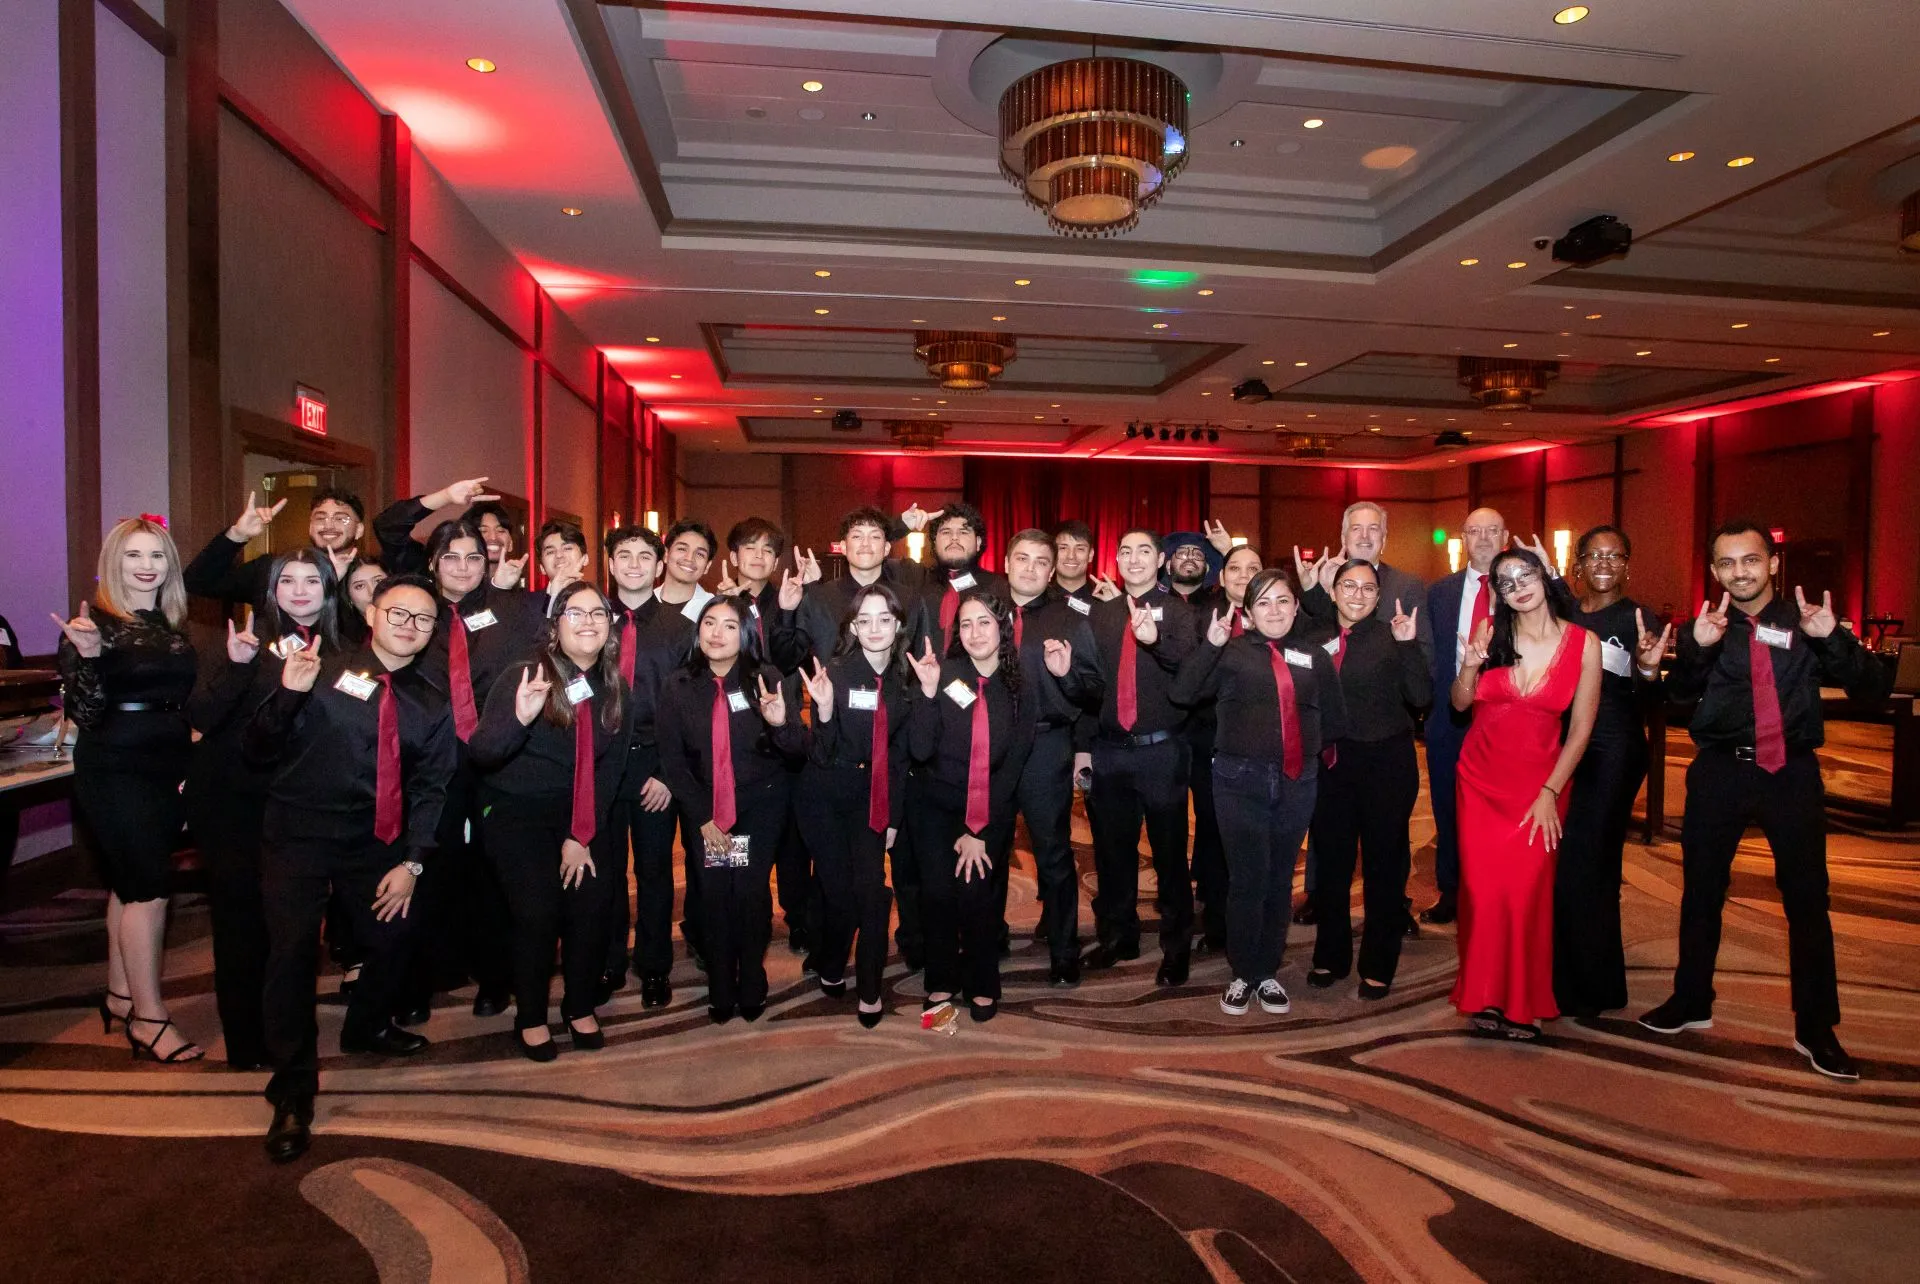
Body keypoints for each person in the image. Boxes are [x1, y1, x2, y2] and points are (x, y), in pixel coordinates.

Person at [1639, 521, 1887, 1080]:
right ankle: (1691, 1000)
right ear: (1714, 571)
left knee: (1807, 900)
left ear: (1772, 563)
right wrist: (1696, 653)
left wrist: (1833, 639)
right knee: (1701, 891)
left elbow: (1871, 689)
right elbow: (1672, 701)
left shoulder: (1807, 623)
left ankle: (1816, 1027)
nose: (1739, 572)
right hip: (1720, 772)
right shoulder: (1706, 627)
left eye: (1749, 560)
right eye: (1726, 564)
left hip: (1790, 773)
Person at [244, 574, 457, 1163]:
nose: (409, 626)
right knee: (290, 955)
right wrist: (287, 693)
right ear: (371, 615)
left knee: (395, 934)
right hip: (299, 832)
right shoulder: (320, 668)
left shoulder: (432, 702)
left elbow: (432, 788)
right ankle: (292, 1090)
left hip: (375, 838)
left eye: (423, 619)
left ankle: (366, 1025)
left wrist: (412, 862)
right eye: (398, 613)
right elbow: (256, 749)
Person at [53, 516, 202, 1064]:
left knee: (127, 881)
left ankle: (120, 995)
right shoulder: (92, 626)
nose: (146, 566)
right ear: (113, 564)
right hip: (115, 767)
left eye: (157, 556)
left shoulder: (167, 627)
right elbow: (87, 713)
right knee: (148, 888)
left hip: (165, 763)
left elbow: (177, 702)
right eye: (134, 556)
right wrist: (88, 655)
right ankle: (149, 1018)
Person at [184, 549, 341, 1069]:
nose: (299, 591)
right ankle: (245, 1041)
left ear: (328, 589)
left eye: (311, 581)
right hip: (232, 802)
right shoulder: (248, 642)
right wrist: (235, 666)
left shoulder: (344, 648)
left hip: (295, 803)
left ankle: (281, 1030)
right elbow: (203, 714)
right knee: (240, 922)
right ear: (271, 589)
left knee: (289, 927)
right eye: (287, 581)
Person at [1172, 568, 1345, 1017]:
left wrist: (1303, 755)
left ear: (1296, 606)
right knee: (1246, 879)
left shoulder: (1313, 655)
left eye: (1283, 600)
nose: (1275, 610)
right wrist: (1210, 644)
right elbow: (1184, 692)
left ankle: (1266, 970)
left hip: (1296, 781)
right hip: (1238, 781)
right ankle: (1242, 971)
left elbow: (1335, 719)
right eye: (1263, 602)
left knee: (1278, 878)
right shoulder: (1228, 652)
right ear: (1247, 613)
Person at [469, 582, 630, 1061]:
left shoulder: (616, 686)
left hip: (583, 813)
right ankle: (532, 1015)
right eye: (574, 612)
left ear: (610, 627)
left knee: (590, 911)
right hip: (520, 812)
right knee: (537, 916)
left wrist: (581, 834)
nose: (587, 621)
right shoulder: (524, 674)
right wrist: (518, 719)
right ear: (555, 625)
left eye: (597, 613)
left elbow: (611, 768)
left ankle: (579, 1006)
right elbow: (482, 752)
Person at [1449, 548, 1601, 1040]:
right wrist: (1470, 666)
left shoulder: (1585, 643)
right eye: (1506, 581)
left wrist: (1550, 791)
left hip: (1541, 785)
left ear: (1544, 576)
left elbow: (1580, 730)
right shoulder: (1491, 636)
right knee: (1483, 893)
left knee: (1526, 894)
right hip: (1479, 780)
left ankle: (1523, 1004)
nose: (1518, 586)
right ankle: (1485, 999)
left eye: (1525, 574)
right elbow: (1459, 702)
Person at [403, 518, 546, 1023]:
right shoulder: (416, 612)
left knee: (494, 872)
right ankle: (420, 979)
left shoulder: (513, 610)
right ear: (432, 563)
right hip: (431, 759)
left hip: (496, 754)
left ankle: (494, 978)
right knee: (430, 870)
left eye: (473, 558)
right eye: (450, 558)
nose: (462, 568)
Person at [656, 597, 805, 1023]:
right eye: (709, 623)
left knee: (750, 892)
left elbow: (795, 749)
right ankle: (721, 981)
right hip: (708, 809)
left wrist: (779, 723)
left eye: (728, 625)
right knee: (717, 894)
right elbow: (673, 759)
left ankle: (752, 977)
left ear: (744, 634)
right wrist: (703, 816)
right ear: (698, 631)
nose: (717, 633)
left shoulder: (766, 677)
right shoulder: (679, 684)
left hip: (760, 805)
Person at [905, 591, 1052, 1020]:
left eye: (984, 622)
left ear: (1002, 627)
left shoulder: (1022, 683)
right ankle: (940, 980)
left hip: (990, 809)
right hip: (934, 806)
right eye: (966, 624)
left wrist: (978, 830)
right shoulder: (942, 674)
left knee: (978, 896)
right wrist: (929, 695)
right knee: (937, 896)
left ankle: (983, 980)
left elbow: (1014, 762)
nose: (975, 632)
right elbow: (919, 749)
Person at [1303, 561, 1429, 999]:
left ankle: (1379, 962)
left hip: (1385, 764)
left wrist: (1410, 646)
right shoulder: (1312, 637)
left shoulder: (1393, 636)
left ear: (1378, 596)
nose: (1357, 594)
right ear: (1333, 591)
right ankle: (1331, 955)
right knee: (1332, 868)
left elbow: (1421, 697)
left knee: (1383, 868)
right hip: (1330, 765)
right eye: (1348, 586)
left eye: (1367, 588)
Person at [1557, 526, 1669, 1017]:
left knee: (1590, 865)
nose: (1604, 562)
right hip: (1563, 750)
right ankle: (1574, 975)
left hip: (1613, 750)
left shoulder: (1638, 618)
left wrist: (1647, 670)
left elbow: (1654, 700)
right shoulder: (1565, 613)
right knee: (1568, 864)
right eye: (1594, 554)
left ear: (1628, 564)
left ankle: (1594, 988)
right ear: (1578, 564)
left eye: (1615, 555)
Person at [794, 585, 913, 1026]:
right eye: (865, 620)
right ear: (853, 628)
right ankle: (829, 962)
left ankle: (869, 988)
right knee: (840, 895)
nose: (876, 628)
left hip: (873, 798)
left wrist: (894, 818)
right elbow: (820, 754)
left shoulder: (906, 679)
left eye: (885, 619)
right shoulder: (838, 673)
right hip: (824, 797)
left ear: (898, 624)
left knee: (873, 893)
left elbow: (901, 757)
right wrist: (823, 712)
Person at [1083, 529, 1198, 983]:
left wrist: (1155, 641)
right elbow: (1090, 686)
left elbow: (1190, 672)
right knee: (1112, 855)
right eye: (1125, 552)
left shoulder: (1178, 612)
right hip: (1109, 751)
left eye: (1143, 551)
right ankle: (1119, 937)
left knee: (1169, 857)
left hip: (1162, 752)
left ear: (1161, 559)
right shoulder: (1101, 613)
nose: (1133, 559)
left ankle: (1176, 949)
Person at [1001, 531, 1102, 984]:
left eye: (1041, 561)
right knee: (986, 848)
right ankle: (988, 936)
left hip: (1047, 747)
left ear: (1052, 569)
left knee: (1055, 855)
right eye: (1021, 558)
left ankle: (1064, 949)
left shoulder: (1073, 619)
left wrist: (1067, 677)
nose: (1030, 568)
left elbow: (1093, 691)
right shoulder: (984, 614)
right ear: (1006, 563)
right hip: (993, 747)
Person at [601, 525, 690, 1009]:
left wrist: (667, 772)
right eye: (624, 556)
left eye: (644, 557)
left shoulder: (680, 629)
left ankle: (654, 965)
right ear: (611, 564)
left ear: (659, 568)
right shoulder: (590, 619)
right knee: (607, 871)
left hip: (655, 767)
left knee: (654, 872)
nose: (634, 564)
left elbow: (687, 708)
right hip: (600, 765)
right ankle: (611, 960)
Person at [1419, 507, 1508, 925]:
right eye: (1476, 531)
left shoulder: (1522, 589)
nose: (1485, 538)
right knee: (1447, 805)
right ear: (1465, 538)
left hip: (1508, 721)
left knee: (1501, 808)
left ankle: (1496, 891)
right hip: (1449, 718)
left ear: (1505, 537)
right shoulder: (1438, 592)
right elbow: (1428, 653)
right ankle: (1451, 890)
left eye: (1493, 531)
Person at [184, 487, 367, 605]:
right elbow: (196, 582)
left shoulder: (371, 578)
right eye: (320, 518)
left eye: (340, 518)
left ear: (359, 530)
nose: (328, 525)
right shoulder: (272, 570)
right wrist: (237, 535)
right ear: (310, 526)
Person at [796, 506, 924, 662]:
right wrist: (787, 610)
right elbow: (791, 658)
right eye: (857, 536)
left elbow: (919, 657)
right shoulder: (819, 598)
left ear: (887, 548)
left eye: (875, 537)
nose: (866, 544)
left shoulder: (909, 599)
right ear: (843, 547)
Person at [370, 476, 505, 577]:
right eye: (452, 557)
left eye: (501, 530)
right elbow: (388, 526)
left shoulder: (516, 601)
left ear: (511, 543)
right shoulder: (425, 583)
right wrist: (445, 496)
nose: (493, 537)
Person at [658, 519, 718, 621]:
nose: (689, 558)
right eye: (682, 549)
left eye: (700, 554)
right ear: (666, 554)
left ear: (707, 566)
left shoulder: (714, 610)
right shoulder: (641, 604)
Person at [339, 558, 387, 647]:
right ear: (349, 598)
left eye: (378, 581)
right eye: (360, 586)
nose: (372, 591)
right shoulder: (344, 643)